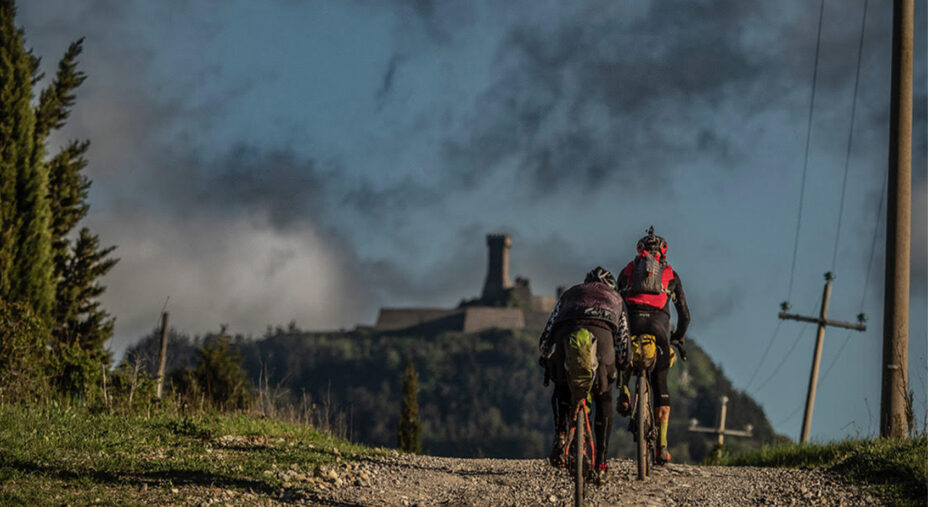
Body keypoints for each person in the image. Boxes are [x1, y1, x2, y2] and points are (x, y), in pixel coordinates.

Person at [538, 266, 630, 481]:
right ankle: (602, 464)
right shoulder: (616, 299)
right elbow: (624, 340)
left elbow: (548, 333)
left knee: (561, 385)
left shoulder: (569, 294)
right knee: (604, 399)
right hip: (603, 343)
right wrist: (623, 363)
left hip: (567, 337)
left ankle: (561, 434)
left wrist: (545, 355)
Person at [616, 226, 690, 465]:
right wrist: (678, 337)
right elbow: (685, 315)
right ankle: (662, 447)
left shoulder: (628, 271)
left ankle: (624, 390)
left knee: (624, 353)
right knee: (660, 384)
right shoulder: (670, 274)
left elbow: (616, 302)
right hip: (659, 328)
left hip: (632, 323)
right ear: (663, 253)